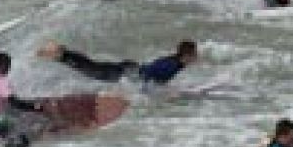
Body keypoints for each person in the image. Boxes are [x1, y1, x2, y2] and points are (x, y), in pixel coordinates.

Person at [38, 40, 198, 87]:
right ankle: (61, 53)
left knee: (92, 67)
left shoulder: (176, 63)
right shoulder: (171, 66)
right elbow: (150, 74)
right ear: (186, 55)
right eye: (194, 54)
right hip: (126, 72)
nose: (196, 57)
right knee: (91, 69)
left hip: (129, 69)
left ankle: (62, 53)